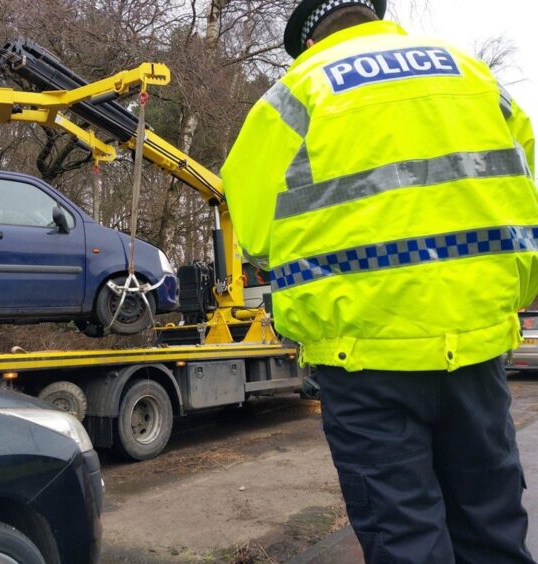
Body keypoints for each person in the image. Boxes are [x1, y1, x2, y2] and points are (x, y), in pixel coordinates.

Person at [221, 0, 538, 562]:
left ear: (311, 39)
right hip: (476, 345)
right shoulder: (473, 75)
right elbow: (523, 189)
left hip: (362, 358)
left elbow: (253, 230)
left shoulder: (295, 94)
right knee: (491, 530)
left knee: (405, 539)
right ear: (372, 12)